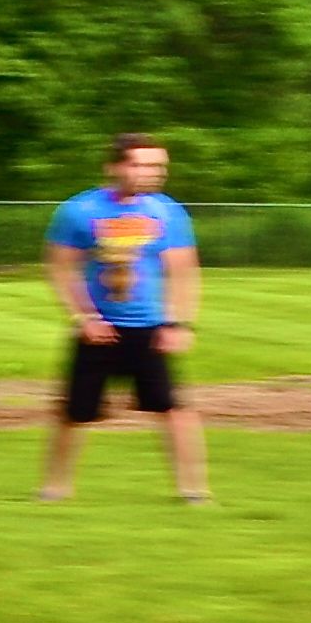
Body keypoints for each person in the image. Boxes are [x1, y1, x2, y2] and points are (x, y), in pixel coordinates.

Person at [38, 133, 206, 502]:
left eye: (158, 166)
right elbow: (60, 268)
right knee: (73, 412)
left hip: (149, 328)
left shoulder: (168, 212)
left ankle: (193, 491)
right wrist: (84, 317)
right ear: (114, 166)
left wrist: (177, 323)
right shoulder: (80, 211)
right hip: (99, 329)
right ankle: (54, 488)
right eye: (141, 164)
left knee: (173, 410)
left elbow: (184, 271)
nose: (153, 173)